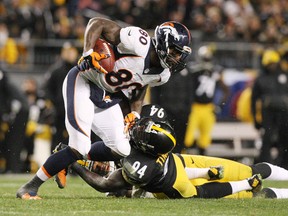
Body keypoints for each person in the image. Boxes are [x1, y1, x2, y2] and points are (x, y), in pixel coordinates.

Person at [16, 17, 192, 199]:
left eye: (180, 54)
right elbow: (97, 23)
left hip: (105, 94)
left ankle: (66, 156)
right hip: (83, 80)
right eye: (175, 51)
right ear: (163, 42)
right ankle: (30, 187)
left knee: (122, 148)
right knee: (80, 146)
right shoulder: (140, 43)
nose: (177, 58)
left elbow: (141, 85)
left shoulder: (163, 74)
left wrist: (134, 112)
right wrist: (87, 52)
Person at [184, 45, 229, 155]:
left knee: (204, 140)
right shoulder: (194, 72)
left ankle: (202, 162)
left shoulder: (214, 72)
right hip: (194, 107)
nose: (206, 60)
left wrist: (219, 105)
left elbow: (226, 90)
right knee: (187, 138)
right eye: (205, 58)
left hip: (208, 108)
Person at [251, 49, 288, 169]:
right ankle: (266, 166)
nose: (272, 66)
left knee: (285, 140)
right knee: (267, 140)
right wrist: (255, 120)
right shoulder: (261, 78)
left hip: (284, 113)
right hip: (267, 114)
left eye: (273, 63)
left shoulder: (284, 75)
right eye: (269, 64)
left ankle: (284, 166)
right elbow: (253, 100)